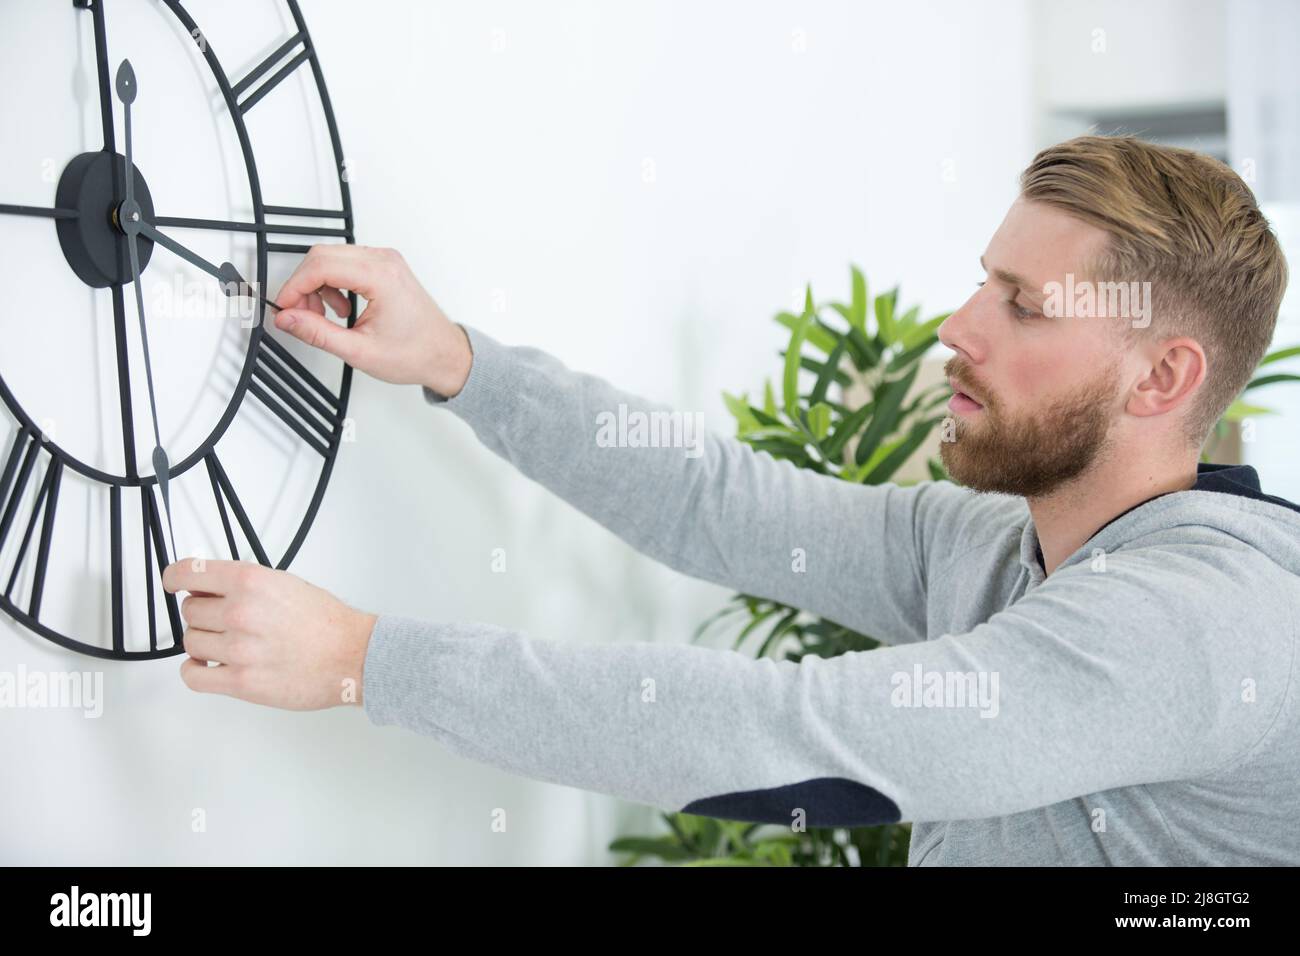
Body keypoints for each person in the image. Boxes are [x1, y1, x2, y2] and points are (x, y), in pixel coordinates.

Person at [162, 135, 1300, 865]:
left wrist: (369, 656)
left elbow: (797, 739)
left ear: (1162, 378)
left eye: (1024, 305)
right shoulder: (1006, 546)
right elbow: (725, 504)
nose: (958, 326)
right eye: (980, 279)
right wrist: (459, 357)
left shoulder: (1191, 625)